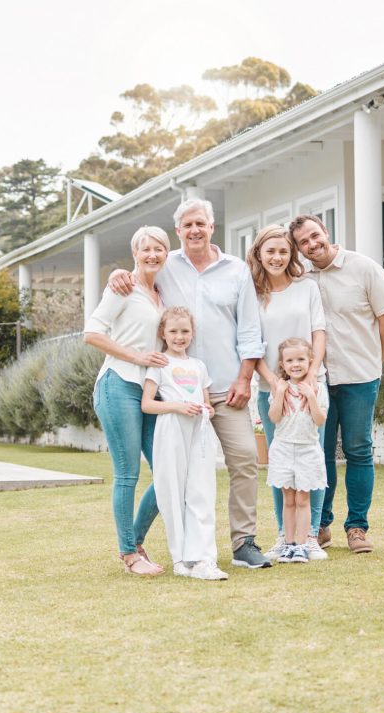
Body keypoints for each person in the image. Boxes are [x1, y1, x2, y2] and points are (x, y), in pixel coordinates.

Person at [109, 199, 271, 569]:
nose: (194, 230)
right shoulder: (166, 267)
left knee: (245, 459)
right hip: (176, 393)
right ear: (178, 231)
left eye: (201, 223)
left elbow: (249, 329)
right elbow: (140, 274)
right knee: (169, 471)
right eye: (187, 225)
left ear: (212, 226)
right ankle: (134, 546)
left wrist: (246, 378)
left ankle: (244, 543)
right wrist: (116, 274)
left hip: (226, 386)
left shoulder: (236, 270)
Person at [289, 215, 384, 553]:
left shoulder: (363, 267)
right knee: (319, 453)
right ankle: (320, 524)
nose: (312, 244)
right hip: (319, 380)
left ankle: (356, 527)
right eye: (303, 242)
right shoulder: (303, 279)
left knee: (357, 451)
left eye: (314, 236)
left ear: (325, 231)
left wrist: (374, 361)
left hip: (359, 377)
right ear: (299, 249)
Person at [83, 225, 171, 576]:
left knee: (166, 471)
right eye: (145, 248)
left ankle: (135, 542)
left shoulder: (160, 293)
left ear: (167, 253)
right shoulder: (123, 287)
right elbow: (92, 333)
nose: (152, 254)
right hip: (118, 384)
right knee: (127, 474)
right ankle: (129, 555)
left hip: (150, 390)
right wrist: (137, 357)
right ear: (135, 253)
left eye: (159, 249)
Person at [246, 224, 328, 561]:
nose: (277, 257)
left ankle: (309, 537)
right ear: (259, 255)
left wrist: (309, 376)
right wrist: (275, 382)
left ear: (290, 254)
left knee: (311, 462)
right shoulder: (251, 294)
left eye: (283, 251)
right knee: (281, 466)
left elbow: (318, 333)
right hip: (274, 390)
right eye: (271, 251)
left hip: (310, 386)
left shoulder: (306, 288)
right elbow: (251, 345)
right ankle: (284, 536)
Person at [141, 307, 227, 580]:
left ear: (192, 333)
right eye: (174, 331)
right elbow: (147, 404)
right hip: (171, 429)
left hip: (198, 432)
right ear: (163, 333)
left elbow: (207, 402)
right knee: (173, 492)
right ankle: (180, 558)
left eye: (185, 331)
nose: (179, 337)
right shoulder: (159, 364)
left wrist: (207, 410)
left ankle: (204, 557)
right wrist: (177, 406)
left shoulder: (198, 366)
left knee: (202, 491)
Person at [266, 338, 328, 564]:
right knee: (288, 500)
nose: (295, 364)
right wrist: (281, 393)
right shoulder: (279, 388)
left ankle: (302, 545)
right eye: (290, 360)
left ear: (310, 361)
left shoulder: (317, 388)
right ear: (282, 364)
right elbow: (274, 417)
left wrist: (311, 396)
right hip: (283, 449)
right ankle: (288, 544)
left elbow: (320, 420)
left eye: (301, 359)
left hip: (307, 450)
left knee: (303, 500)